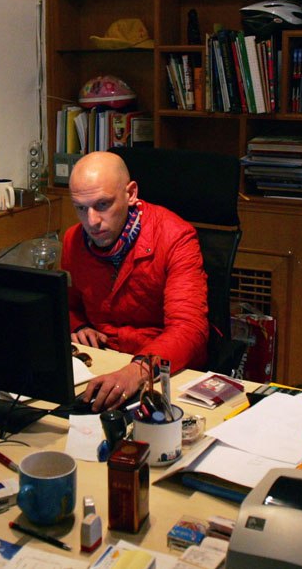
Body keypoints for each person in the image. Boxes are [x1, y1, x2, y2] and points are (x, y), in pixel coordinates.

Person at [61, 152, 208, 412]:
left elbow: (189, 327)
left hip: (162, 371)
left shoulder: (176, 237)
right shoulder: (74, 240)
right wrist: (79, 324)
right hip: (103, 363)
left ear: (130, 194)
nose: (91, 221)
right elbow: (67, 304)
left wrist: (136, 371)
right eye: (81, 208)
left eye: (103, 204)